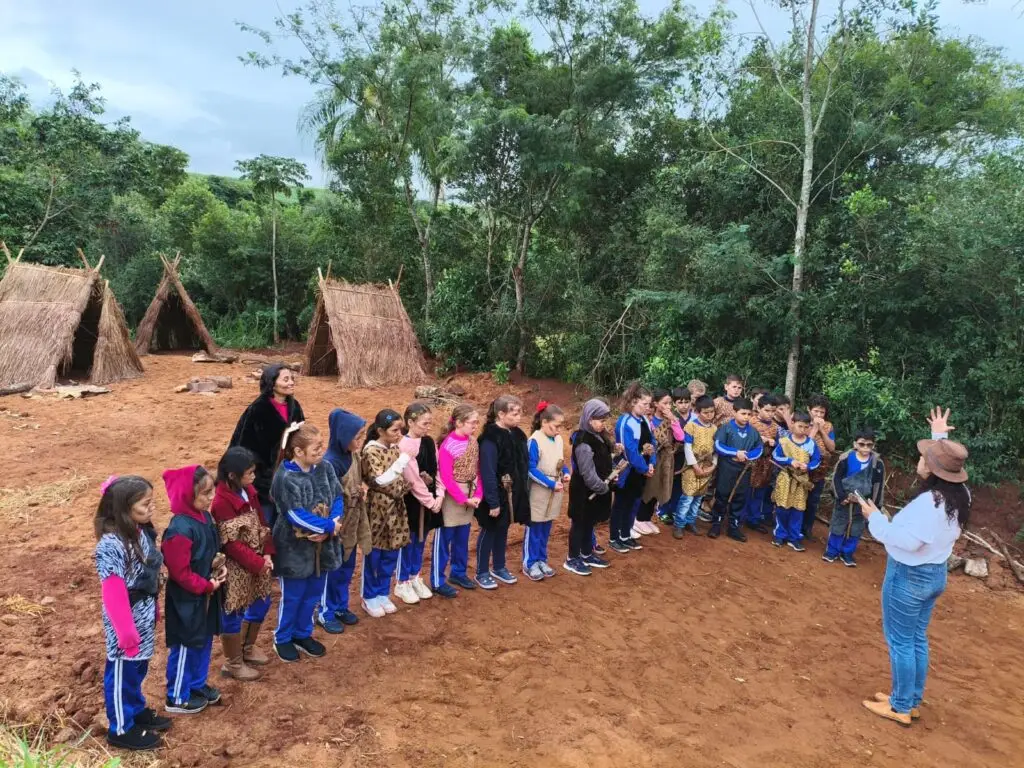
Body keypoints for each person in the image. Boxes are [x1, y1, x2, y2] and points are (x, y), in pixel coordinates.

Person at [858, 407, 970, 727]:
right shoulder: (960, 494)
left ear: (932, 468)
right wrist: (940, 436)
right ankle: (910, 699)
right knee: (916, 638)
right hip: (934, 574)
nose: (919, 460)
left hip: (909, 576)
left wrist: (875, 519)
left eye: (925, 457)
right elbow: (947, 464)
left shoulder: (930, 503)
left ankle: (901, 706)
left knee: (901, 642)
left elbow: (907, 541)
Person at [94, 475, 170, 750]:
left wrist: (153, 608)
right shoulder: (111, 545)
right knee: (121, 671)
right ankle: (121, 728)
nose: (152, 508)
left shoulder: (139, 532)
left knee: (138, 667)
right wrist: (125, 632)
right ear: (125, 507)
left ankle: (135, 709)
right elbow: (113, 591)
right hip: (125, 623)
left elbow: (146, 576)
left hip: (142, 614)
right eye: (145, 504)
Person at [270, 423, 344, 661]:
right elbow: (294, 514)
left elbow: (337, 496)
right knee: (293, 596)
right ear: (298, 451)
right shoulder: (285, 477)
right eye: (316, 447)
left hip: (322, 547)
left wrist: (332, 524)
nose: (321, 450)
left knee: (313, 592)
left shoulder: (325, 467)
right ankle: (282, 638)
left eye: (322, 445)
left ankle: (302, 634)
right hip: (294, 549)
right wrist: (328, 527)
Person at [161, 465, 224, 714]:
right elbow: (180, 573)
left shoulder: (204, 518)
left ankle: (196, 684)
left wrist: (219, 569)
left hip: (206, 593)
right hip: (187, 599)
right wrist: (205, 585)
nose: (211, 497)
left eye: (212, 491)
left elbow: (211, 551)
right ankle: (177, 695)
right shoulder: (179, 530)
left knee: (203, 640)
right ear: (187, 496)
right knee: (186, 644)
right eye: (205, 493)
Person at [210, 447, 273, 681]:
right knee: (234, 611)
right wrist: (258, 562)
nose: (253, 476)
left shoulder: (248, 491)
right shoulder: (220, 503)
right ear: (232, 476)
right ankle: (233, 663)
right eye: (249, 473)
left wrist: (267, 553)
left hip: (256, 559)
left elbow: (262, 522)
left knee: (262, 600)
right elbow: (231, 544)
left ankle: (246, 648)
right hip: (236, 566)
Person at [229, 364, 304, 524]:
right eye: (286, 379)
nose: (291, 382)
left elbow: (301, 435)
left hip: (288, 472)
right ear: (272, 383)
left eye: (292, 379)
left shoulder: (295, 406)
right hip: (262, 478)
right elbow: (245, 446)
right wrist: (263, 475)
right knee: (266, 520)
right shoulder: (258, 410)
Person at [318, 408, 370, 633]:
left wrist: (359, 491)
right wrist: (350, 494)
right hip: (337, 524)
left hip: (352, 522)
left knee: (347, 565)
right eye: (357, 436)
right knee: (333, 568)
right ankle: (325, 612)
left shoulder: (352, 455)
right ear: (343, 435)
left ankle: (340, 605)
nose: (360, 440)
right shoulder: (330, 463)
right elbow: (328, 497)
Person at [360, 410, 412, 617]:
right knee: (375, 553)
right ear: (381, 431)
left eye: (401, 430)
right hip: (378, 510)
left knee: (391, 551)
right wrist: (402, 464)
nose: (399, 434)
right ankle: (369, 595)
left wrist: (405, 485)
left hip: (396, 509)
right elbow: (380, 481)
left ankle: (382, 592)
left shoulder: (395, 448)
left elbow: (399, 481)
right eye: (394, 430)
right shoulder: (370, 451)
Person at [476, 395, 530, 589]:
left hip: (512, 493)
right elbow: (488, 472)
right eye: (514, 414)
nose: (519, 418)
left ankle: (499, 566)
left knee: (503, 529)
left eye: (520, 413)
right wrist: (493, 501)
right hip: (495, 494)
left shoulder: (517, 434)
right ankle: (482, 571)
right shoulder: (490, 439)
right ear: (501, 414)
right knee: (489, 529)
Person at [396, 402, 444, 604]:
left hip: (430, 500)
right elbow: (413, 479)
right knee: (410, 539)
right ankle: (402, 581)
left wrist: (440, 494)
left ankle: (415, 575)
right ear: (410, 422)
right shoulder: (404, 445)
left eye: (430, 423)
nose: (428, 427)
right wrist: (430, 501)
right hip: (412, 503)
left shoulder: (429, 442)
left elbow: (438, 469)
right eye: (425, 423)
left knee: (422, 539)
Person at [435, 404, 484, 597]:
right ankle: (438, 580)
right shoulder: (447, 445)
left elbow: (477, 471)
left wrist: (478, 494)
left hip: (470, 495)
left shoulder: (474, 442)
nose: (475, 426)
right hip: (453, 498)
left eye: (476, 422)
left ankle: (458, 572)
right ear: (459, 423)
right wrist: (463, 499)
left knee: (462, 538)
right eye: (472, 422)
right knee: (444, 539)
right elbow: (446, 478)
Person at [565, 399, 615, 575]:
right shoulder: (583, 442)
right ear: (589, 419)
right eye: (601, 420)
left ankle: (586, 553)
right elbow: (588, 473)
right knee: (579, 524)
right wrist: (602, 487)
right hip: (583, 492)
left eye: (604, 420)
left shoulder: (598, 436)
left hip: (596, 491)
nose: (603, 424)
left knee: (589, 523)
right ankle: (572, 558)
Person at [524, 401, 570, 581]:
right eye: (556, 426)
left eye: (560, 426)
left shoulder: (558, 439)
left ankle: (541, 559)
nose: (558, 430)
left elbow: (561, 461)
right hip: (539, 491)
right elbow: (530, 468)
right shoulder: (534, 440)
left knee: (546, 527)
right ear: (544, 422)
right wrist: (550, 483)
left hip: (555, 488)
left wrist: (566, 473)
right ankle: (530, 563)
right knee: (535, 526)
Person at [825, 428, 885, 566]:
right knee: (838, 524)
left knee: (857, 527)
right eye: (862, 444)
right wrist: (841, 496)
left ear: (873, 445)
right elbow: (836, 479)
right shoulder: (845, 459)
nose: (865, 448)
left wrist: (874, 505)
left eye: (869, 445)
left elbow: (878, 485)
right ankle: (832, 551)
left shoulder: (877, 464)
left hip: (863, 502)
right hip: (844, 499)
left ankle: (847, 553)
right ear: (855, 444)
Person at [609, 382, 655, 553]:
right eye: (644, 404)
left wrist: (651, 463)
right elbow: (629, 452)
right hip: (627, 472)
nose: (647, 408)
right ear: (633, 401)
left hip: (641, 471)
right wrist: (644, 468)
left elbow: (652, 442)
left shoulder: (644, 420)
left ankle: (625, 535)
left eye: (649, 404)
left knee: (633, 503)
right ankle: (614, 538)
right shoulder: (625, 422)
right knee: (621, 504)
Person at [709, 397, 762, 542]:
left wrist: (747, 456)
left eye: (749, 414)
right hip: (727, 467)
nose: (746, 417)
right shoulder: (726, 428)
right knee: (722, 494)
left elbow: (759, 449)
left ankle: (734, 526)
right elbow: (718, 445)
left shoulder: (753, 432)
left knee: (740, 497)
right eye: (743, 413)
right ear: (735, 412)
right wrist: (735, 452)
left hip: (744, 469)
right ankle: (716, 523)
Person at [770, 412, 822, 551]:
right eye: (800, 426)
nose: (802, 430)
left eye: (806, 427)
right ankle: (780, 535)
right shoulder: (784, 441)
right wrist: (789, 461)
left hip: (801, 481)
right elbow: (776, 456)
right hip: (786, 478)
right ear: (792, 424)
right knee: (782, 507)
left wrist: (808, 466)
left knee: (798, 508)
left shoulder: (811, 443)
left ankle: (794, 537)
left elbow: (817, 460)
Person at [673, 395, 717, 537]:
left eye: (712, 412)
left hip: (707, 467)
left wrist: (713, 465)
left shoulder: (715, 428)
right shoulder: (691, 426)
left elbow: (716, 450)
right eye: (706, 412)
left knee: (699, 497)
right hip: (692, 467)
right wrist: (695, 466)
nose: (709, 415)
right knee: (687, 497)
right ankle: (679, 524)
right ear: (697, 412)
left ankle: (690, 521)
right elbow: (687, 447)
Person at [638, 389, 678, 535]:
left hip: (666, 460)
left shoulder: (672, 420)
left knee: (659, 488)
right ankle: (639, 519)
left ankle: (647, 519)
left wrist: (673, 420)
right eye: (665, 403)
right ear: (655, 404)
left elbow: (680, 437)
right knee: (649, 488)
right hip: (652, 458)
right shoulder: (648, 420)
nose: (668, 406)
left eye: (670, 403)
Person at [745, 394, 780, 533]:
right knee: (747, 490)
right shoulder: (751, 422)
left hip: (767, 464)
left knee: (760, 491)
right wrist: (761, 439)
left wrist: (774, 443)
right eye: (767, 410)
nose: (770, 414)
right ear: (759, 408)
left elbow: (779, 446)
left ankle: (754, 519)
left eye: (773, 411)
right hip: (750, 463)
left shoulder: (776, 427)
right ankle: (740, 517)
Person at [805, 394, 836, 539]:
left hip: (820, 470)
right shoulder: (802, 423)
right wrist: (814, 429)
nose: (818, 415)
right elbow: (803, 446)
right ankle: (795, 529)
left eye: (822, 412)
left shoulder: (828, 426)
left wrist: (822, 430)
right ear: (809, 410)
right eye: (815, 411)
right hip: (804, 468)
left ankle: (807, 529)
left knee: (813, 501)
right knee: (799, 498)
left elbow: (832, 448)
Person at [659, 387, 692, 524]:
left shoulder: (694, 417)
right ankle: (663, 510)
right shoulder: (670, 417)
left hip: (688, 456)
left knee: (680, 484)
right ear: (674, 403)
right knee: (668, 483)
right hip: (672, 455)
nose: (684, 405)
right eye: (680, 402)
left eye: (687, 402)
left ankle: (674, 509)